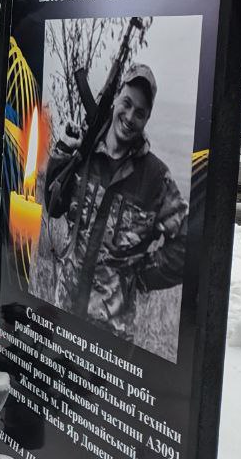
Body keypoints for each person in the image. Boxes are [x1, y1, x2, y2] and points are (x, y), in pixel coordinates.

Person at [44, 64, 187, 340]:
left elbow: (188, 246)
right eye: (127, 103)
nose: (131, 116)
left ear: (147, 119)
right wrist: (62, 152)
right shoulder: (84, 152)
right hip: (63, 310)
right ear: (117, 97)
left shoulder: (156, 178)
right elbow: (53, 205)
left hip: (110, 335)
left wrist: (139, 277)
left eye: (141, 113)